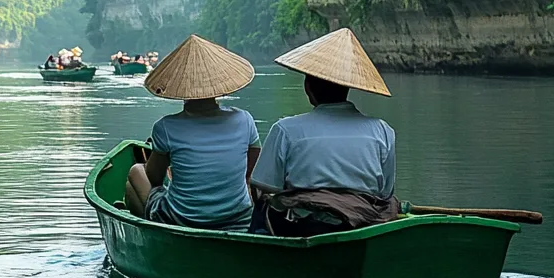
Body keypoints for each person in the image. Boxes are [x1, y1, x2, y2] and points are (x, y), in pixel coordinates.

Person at [249, 28, 398, 236]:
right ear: (347, 88)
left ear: (307, 88)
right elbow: (385, 192)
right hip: (360, 224)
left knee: (262, 203)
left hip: (301, 227)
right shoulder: (383, 131)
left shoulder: (286, 129)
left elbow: (264, 184)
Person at [124, 34, 261, 231]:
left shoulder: (166, 127)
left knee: (136, 172)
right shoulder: (245, 120)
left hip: (181, 219)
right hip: (237, 218)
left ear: (180, 85)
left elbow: (154, 179)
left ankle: (150, 233)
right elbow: (251, 171)